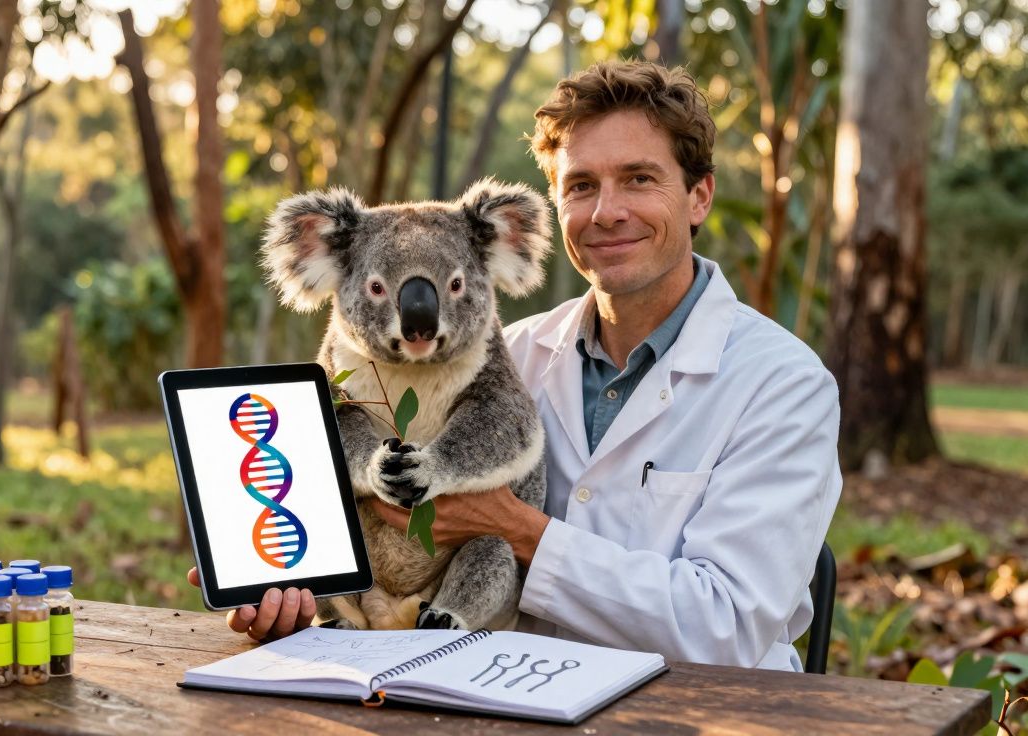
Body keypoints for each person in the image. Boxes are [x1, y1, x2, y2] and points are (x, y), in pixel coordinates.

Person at [189, 60, 841, 671]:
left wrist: (520, 532)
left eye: (639, 179)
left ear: (699, 197)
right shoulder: (510, 351)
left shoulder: (784, 387)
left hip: (700, 711)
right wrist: (283, 575)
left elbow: (723, 627)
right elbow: (339, 481)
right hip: (486, 686)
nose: (606, 211)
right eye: (581, 186)